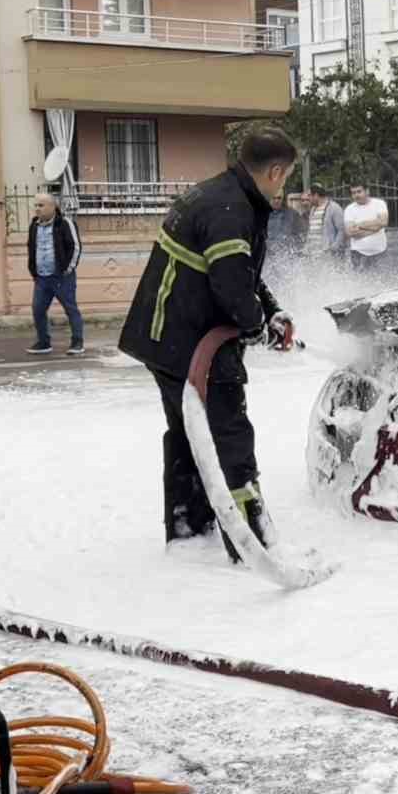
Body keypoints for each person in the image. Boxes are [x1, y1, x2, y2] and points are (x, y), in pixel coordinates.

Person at [118, 126, 298, 561]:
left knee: (187, 434)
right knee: (229, 436)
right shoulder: (232, 209)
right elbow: (233, 289)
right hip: (192, 343)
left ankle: (188, 531)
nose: (286, 183)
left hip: (165, 339)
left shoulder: (221, 194)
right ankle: (253, 543)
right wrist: (255, 326)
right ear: (275, 170)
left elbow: (241, 272)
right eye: (287, 175)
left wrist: (270, 311)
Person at [25, 192, 85, 356]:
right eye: (36, 205)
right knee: (38, 310)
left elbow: (75, 247)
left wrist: (67, 270)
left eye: (41, 205)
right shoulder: (34, 225)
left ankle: (77, 342)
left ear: (53, 207)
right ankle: (43, 343)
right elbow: (31, 247)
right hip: (42, 278)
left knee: (70, 309)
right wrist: (33, 270)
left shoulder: (65, 223)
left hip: (62, 277)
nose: (37, 209)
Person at [344, 183, 390, 274]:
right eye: (353, 193)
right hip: (358, 253)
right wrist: (376, 228)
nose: (356, 195)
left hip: (380, 251)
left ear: (367, 191)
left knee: (382, 282)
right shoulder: (349, 209)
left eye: (359, 191)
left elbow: (383, 222)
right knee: (360, 283)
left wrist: (359, 225)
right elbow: (350, 232)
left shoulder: (379, 204)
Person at [307, 184, 347, 263]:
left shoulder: (334, 208)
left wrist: (333, 248)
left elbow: (342, 230)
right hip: (314, 255)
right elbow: (311, 230)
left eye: (309, 195)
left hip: (329, 256)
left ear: (316, 195)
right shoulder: (313, 209)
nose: (308, 198)